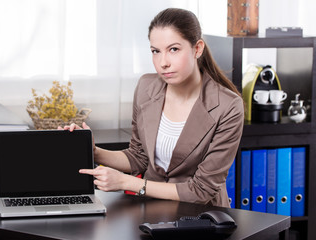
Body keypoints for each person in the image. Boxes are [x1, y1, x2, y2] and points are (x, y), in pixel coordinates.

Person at [60, 8, 244, 207]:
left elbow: (201, 190)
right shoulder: (146, 87)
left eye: (174, 49)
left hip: (201, 215)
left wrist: (127, 182)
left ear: (197, 49)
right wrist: (92, 150)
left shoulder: (228, 106)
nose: (163, 62)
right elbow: (138, 157)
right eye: (156, 51)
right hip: (149, 210)